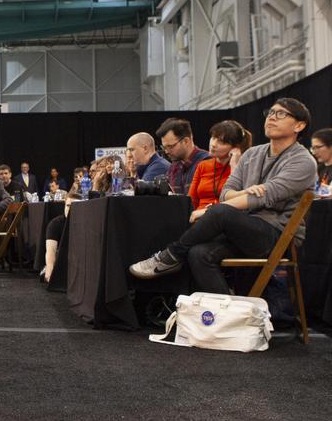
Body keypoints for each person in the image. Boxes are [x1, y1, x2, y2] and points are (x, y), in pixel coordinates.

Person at [129, 98, 317, 294]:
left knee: (220, 212)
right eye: (270, 112)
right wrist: (244, 192)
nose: (271, 118)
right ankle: (231, 313)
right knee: (198, 253)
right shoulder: (252, 154)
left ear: (299, 125)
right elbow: (226, 192)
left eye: (281, 114)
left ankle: (171, 255)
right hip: (243, 228)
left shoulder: (303, 161)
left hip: (277, 235)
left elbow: (264, 197)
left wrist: (210, 211)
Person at [188, 120, 249, 218]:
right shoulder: (203, 165)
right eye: (213, 138)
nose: (213, 144)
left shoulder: (243, 167)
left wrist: (234, 165)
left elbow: (240, 201)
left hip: (223, 218)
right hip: (197, 217)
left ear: (235, 148)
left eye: (221, 142)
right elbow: (192, 200)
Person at [156, 118, 210, 195]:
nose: (166, 151)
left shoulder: (207, 162)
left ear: (186, 141)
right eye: (164, 147)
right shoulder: (173, 167)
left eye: (170, 146)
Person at [41, 188, 81, 284]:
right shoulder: (55, 224)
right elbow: (51, 251)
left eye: (74, 206)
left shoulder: (86, 223)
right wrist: (50, 269)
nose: (70, 209)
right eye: (68, 206)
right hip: (62, 259)